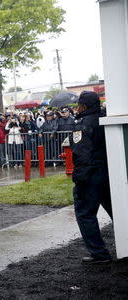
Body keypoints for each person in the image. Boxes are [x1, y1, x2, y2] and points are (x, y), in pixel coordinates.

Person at [71, 91, 112, 264]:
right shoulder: (104, 120)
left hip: (89, 176)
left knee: (85, 214)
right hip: (107, 174)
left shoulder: (82, 124)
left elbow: (82, 153)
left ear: (83, 105)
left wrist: (79, 178)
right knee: (117, 211)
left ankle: (99, 253)